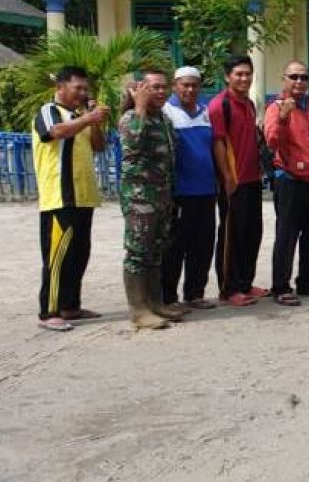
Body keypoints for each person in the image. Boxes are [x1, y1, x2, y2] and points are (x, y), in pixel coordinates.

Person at [33, 66, 108, 330]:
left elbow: (99, 146)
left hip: (84, 197)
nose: (83, 93)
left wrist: (94, 121)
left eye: (85, 89)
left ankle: (69, 306)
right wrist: (88, 119)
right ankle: (48, 311)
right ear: (61, 88)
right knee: (57, 258)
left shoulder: (81, 117)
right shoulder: (49, 111)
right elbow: (54, 132)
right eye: (78, 88)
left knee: (79, 254)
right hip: (59, 198)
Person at [118, 71, 187, 329]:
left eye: (163, 87)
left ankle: (155, 303)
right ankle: (138, 310)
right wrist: (139, 106)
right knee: (138, 252)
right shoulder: (131, 118)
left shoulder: (164, 120)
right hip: (139, 197)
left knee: (156, 251)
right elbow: (134, 144)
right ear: (139, 90)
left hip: (162, 196)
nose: (160, 92)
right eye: (153, 87)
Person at [264, 61, 309, 306]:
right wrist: (282, 117)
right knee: (287, 235)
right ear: (284, 79)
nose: (299, 81)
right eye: (294, 77)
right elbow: (271, 141)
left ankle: (307, 282)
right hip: (289, 180)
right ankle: (280, 286)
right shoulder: (276, 107)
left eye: (303, 77)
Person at [208, 55, 265, 307]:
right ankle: (228, 288)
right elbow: (218, 142)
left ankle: (245, 282)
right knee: (232, 235)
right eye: (238, 74)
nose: (244, 78)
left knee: (252, 233)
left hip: (253, 178)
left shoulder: (249, 104)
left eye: (247, 73)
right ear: (227, 76)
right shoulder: (220, 105)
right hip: (234, 181)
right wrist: (228, 177)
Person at [162, 66, 218, 310]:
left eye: (195, 85)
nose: (190, 89)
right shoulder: (165, 112)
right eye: (185, 84)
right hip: (180, 192)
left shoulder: (205, 112)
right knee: (175, 247)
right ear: (175, 86)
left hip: (206, 190)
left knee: (203, 245)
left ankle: (195, 293)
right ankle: (169, 298)